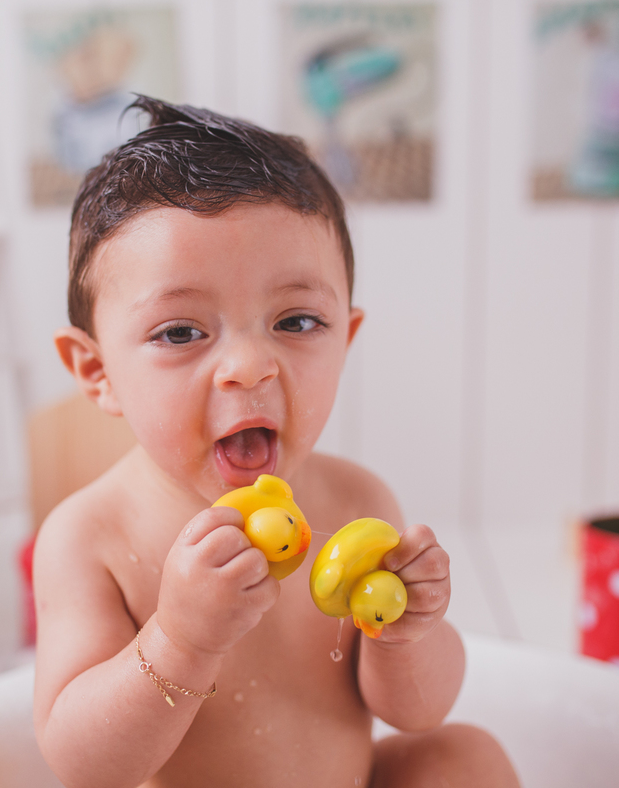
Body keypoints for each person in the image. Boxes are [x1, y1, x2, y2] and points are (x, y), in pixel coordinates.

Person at [33, 95, 520, 788]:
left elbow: (418, 712)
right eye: (180, 332)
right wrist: (179, 642)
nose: (250, 366)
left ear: (344, 340)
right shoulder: (91, 538)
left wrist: (406, 631)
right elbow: (86, 764)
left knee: (463, 761)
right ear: (98, 371)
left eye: (295, 321)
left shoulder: (355, 501)